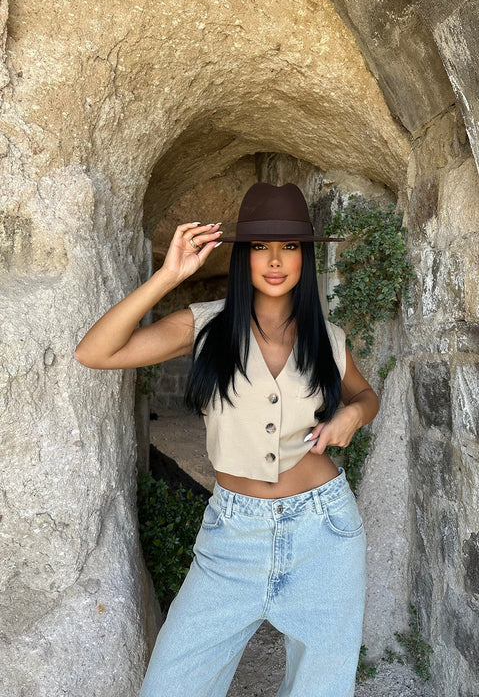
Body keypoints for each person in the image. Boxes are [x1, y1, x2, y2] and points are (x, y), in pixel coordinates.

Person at [75, 182, 379, 697]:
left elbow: (367, 395)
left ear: (305, 257)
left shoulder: (328, 338)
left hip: (325, 533)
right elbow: (94, 352)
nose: (275, 260)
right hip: (232, 534)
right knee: (171, 685)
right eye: (260, 246)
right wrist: (169, 275)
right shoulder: (204, 326)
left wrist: (353, 413)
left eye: (289, 247)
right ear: (243, 256)